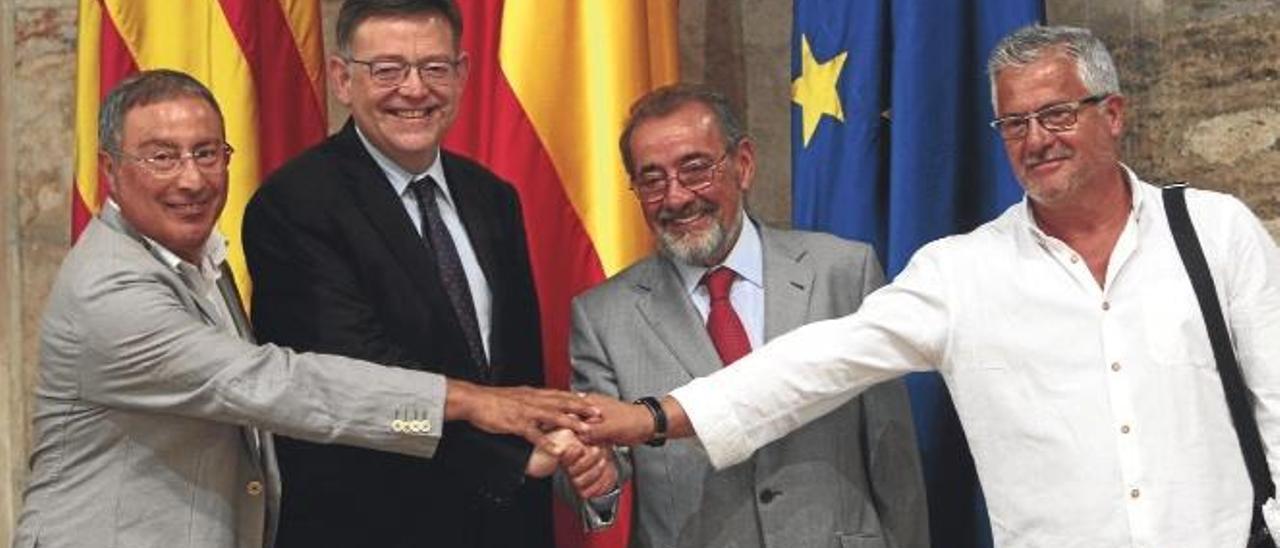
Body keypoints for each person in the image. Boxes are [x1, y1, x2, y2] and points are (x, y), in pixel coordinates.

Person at [580, 25, 1280, 547]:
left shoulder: (1216, 233)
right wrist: (653, 417)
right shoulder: (961, 273)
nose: (1036, 140)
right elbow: (814, 362)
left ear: (1114, 114)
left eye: (1057, 114)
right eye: (1014, 123)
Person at [11, 69, 597, 548]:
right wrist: (472, 403)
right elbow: (277, 388)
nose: (191, 179)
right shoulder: (111, 290)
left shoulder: (191, 256)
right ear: (111, 172)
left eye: (207, 153)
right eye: (162, 157)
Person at [240, 1, 605, 546]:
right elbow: (354, 386)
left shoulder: (493, 198)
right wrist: (509, 457)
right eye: (387, 69)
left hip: (504, 525)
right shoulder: (294, 205)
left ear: (461, 76)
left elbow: (517, 377)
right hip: (372, 524)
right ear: (342, 78)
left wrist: (558, 445)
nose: (414, 90)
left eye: (434, 68)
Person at [561, 84, 929, 548]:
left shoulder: (842, 273)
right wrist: (596, 474)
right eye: (652, 180)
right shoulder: (602, 316)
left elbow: (892, 456)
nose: (675, 198)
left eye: (695, 170)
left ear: (744, 164)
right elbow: (596, 470)